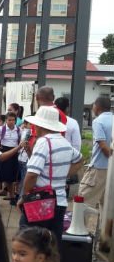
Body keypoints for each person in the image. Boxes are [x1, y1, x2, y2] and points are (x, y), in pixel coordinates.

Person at [18, 106, 84, 247]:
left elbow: (31, 175)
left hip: (41, 202)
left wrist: (24, 198)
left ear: (39, 125)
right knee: (52, 248)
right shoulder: (65, 143)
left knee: (28, 244)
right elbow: (80, 160)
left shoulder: (44, 142)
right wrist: (64, 173)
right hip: (59, 202)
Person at [78, 96, 112, 251]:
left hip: (99, 169)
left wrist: (110, 158)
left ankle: (79, 239)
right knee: (108, 207)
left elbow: (103, 145)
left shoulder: (99, 121)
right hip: (111, 171)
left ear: (97, 107)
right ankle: (106, 244)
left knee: (83, 202)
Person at [0, 111, 21, 204]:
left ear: (15, 121)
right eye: (9, 120)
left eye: (13, 120)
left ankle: (12, 197)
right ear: (6, 120)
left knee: (11, 179)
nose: (11, 122)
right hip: (3, 152)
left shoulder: (18, 130)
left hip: (13, 154)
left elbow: (20, 140)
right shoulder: (1, 129)